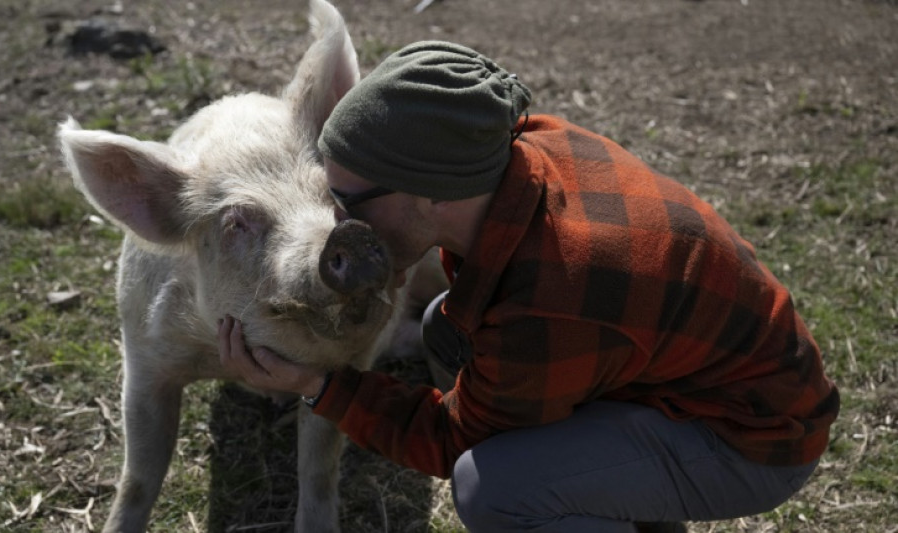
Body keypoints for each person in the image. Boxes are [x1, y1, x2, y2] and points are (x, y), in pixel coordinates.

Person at [217, 41, 839, 532]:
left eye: (348, 203)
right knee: (442, 325)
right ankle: (627, 499)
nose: (338, 227)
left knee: (494, 490)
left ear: (432, 192)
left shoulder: (551, 294)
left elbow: (450, 440)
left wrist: (314, 383)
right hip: (688, 378)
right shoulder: (518, 147)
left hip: (754, 440)